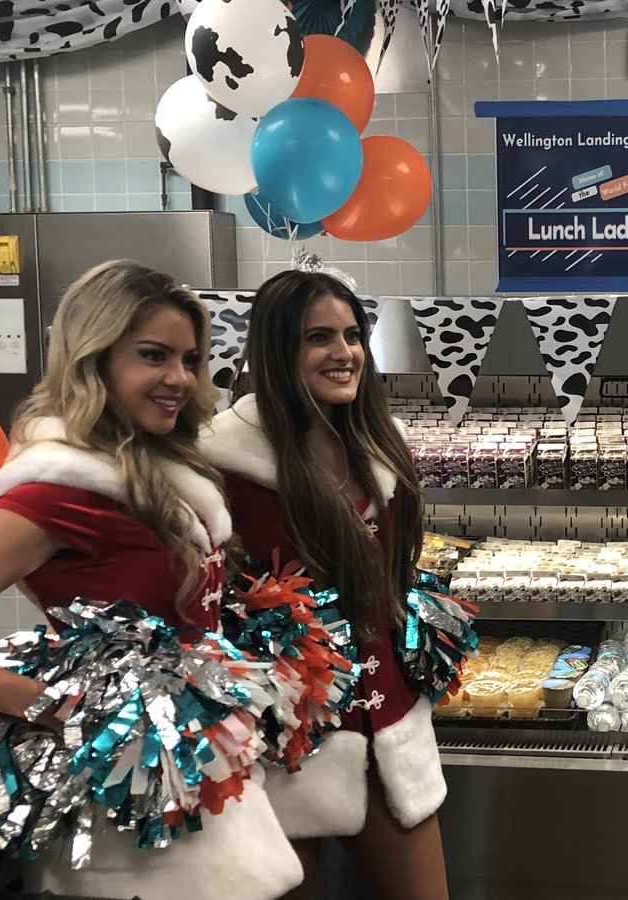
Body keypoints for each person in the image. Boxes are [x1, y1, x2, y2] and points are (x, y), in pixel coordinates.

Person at [0, 260, 303, 900]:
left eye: (190, 358)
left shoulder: (159, 472)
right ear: (92, 360)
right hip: (127, 812)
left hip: (195, 780)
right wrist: (60, 707)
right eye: (153, 356)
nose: (179, 379)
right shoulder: (60, 491)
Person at [201, 270, 448, 900]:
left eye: (352, 334)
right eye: (319, 338)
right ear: (278, 350)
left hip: (390, 728)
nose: (344, 353)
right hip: (281, 745)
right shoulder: (221, 462)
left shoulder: (376, 444)